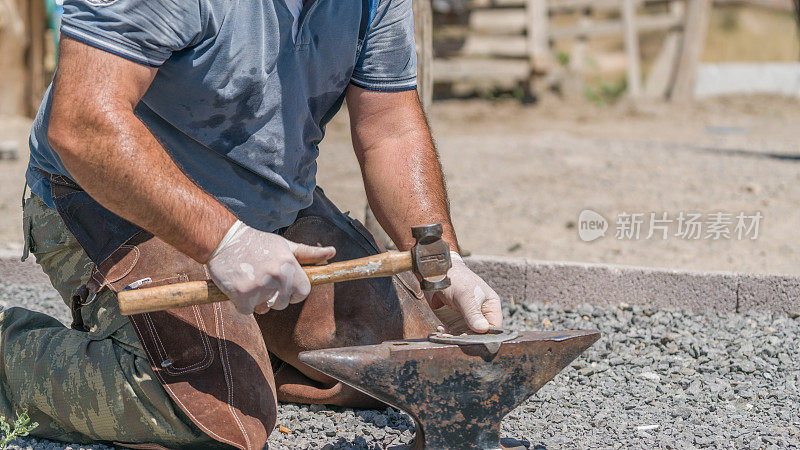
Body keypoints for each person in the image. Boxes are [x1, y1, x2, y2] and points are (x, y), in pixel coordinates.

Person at [1, 0, 503, 448]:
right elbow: (83, 123)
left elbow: (389, 130)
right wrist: (226, 239)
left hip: (267, 208)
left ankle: (235, 351)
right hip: (111, 200)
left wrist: (445, 261)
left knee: (408, 363)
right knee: (219, 417)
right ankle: (11, 363)